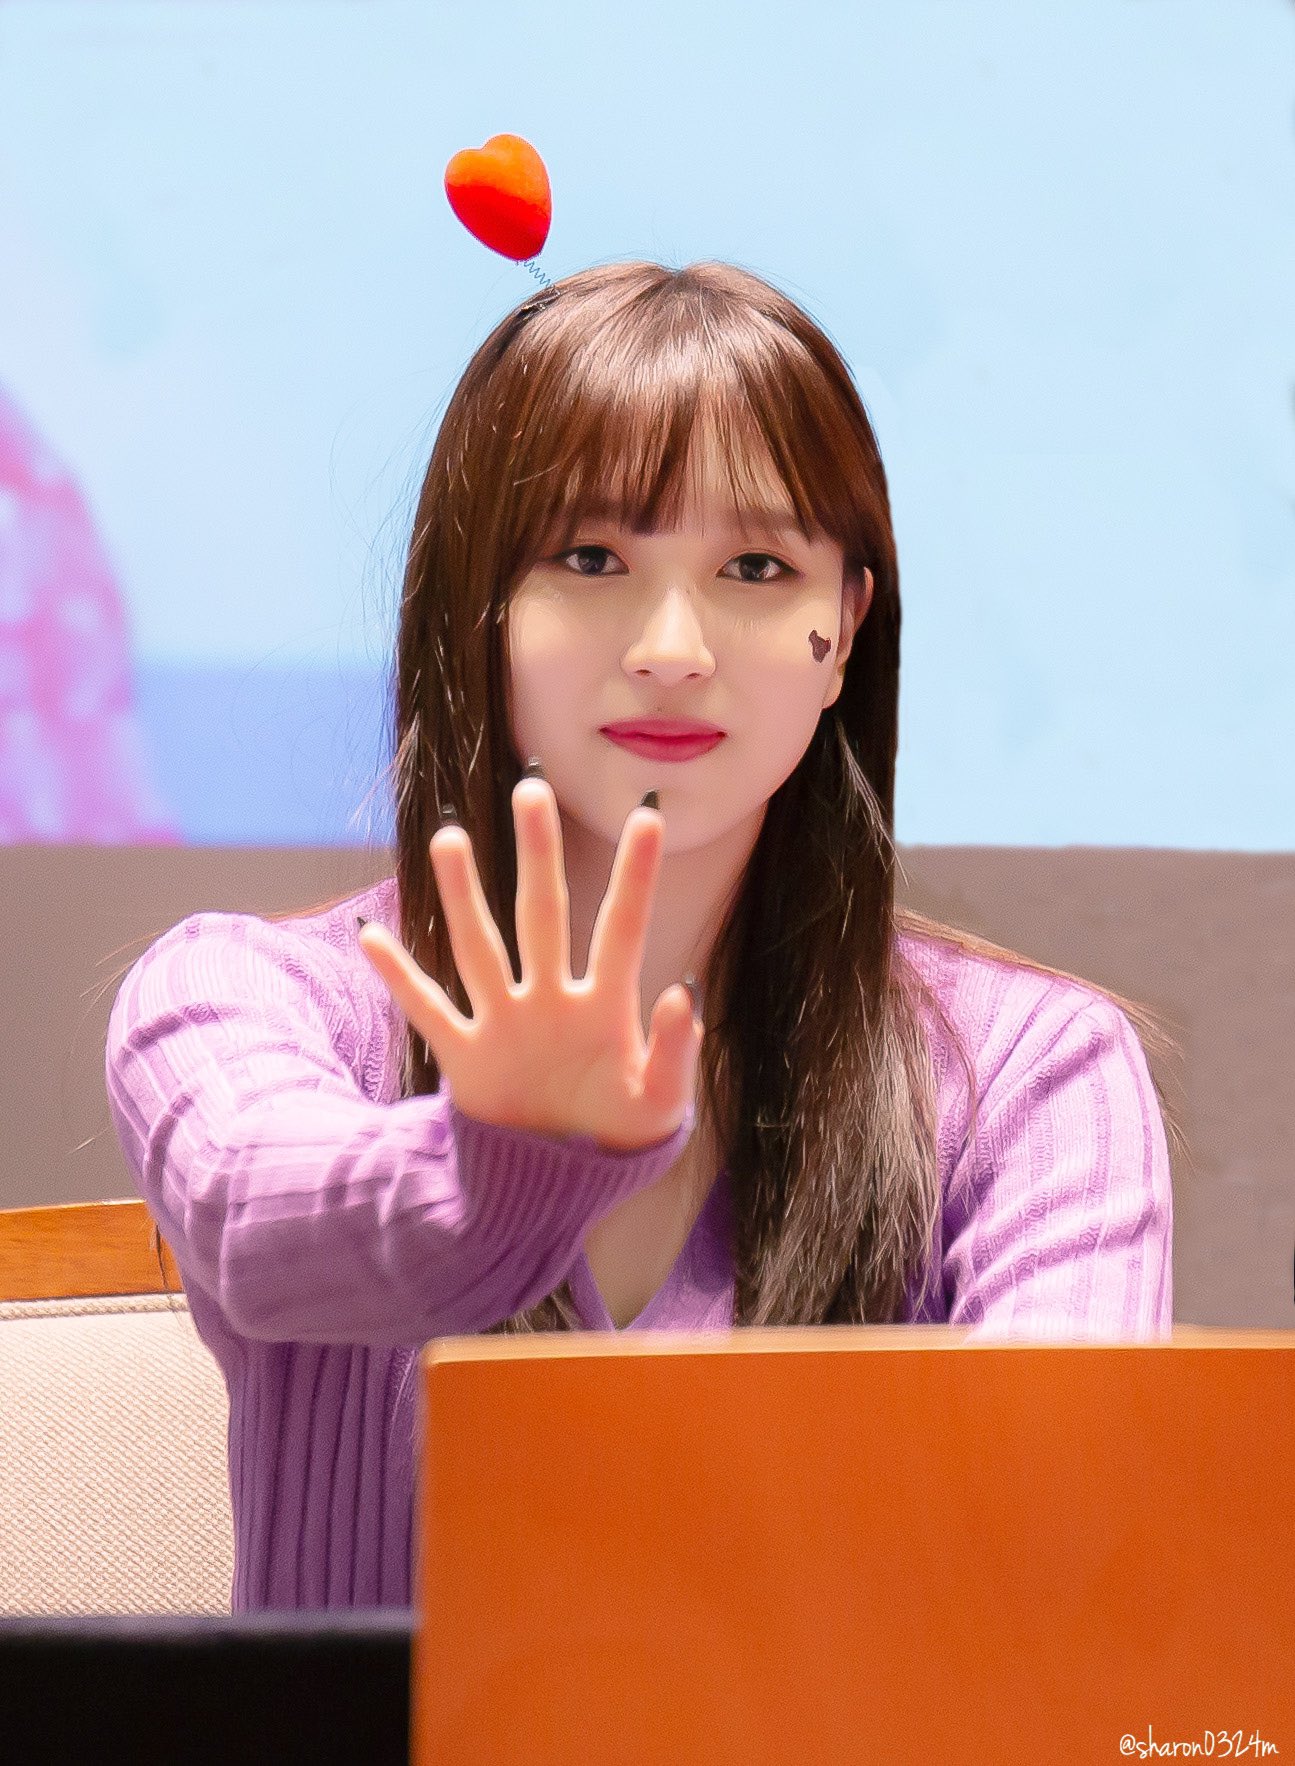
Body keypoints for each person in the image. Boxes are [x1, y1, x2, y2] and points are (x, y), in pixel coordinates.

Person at [104, 260, 1181, 1614]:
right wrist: (506, 1159)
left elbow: (1061, 1570)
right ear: (481, 605)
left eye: (756, 567)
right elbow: (257, 1226)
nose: (673, 646)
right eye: (592, 558)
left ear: (844, 630)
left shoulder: (1038, 1073)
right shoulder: (241, 995)